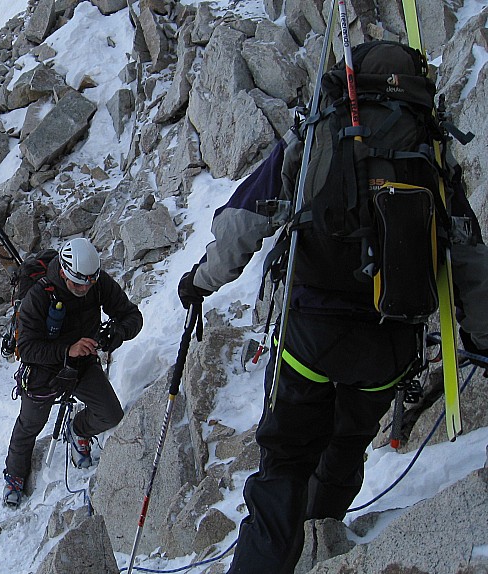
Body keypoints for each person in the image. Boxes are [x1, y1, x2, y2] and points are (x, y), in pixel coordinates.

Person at [178, 41, 488, 574]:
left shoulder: (319, 132)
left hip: (309, 337)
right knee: (344, 449)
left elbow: (242, 223)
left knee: (285, 463)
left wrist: (200, 282)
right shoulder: (430, 154)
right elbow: (471, 261)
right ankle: (320, 548)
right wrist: (481, 340)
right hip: (386, 348)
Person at [2, 237, 143, 506]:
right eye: (78, 283)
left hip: (82, 362)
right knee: (30, 424)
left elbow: (132, 316)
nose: (84, 289)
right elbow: (28, 347)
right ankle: (15, 475)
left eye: (89, 283)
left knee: (110, 414)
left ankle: (78, 429)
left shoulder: (96, 284)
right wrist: (68, 349)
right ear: (65, 272)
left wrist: (117, 333)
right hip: (43, 369)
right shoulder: (39, 296)